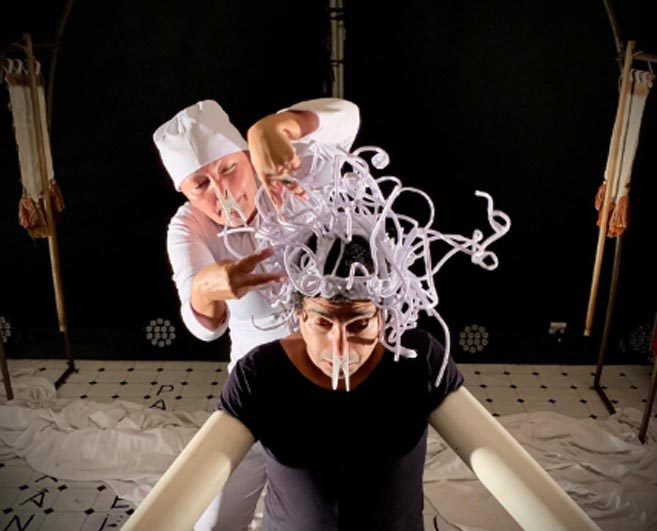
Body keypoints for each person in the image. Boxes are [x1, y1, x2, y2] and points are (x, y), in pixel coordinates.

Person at [152, 97, 360, 530]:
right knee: (216, 515)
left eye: (229, 168)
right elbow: (203, 328)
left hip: (333, 372)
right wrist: (207, 288)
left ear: (247, 155)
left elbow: (348, 118)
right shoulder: (189, 226)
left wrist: (276, 126)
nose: (221, 191)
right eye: (200, 184)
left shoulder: (292, 169)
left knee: (328, 509)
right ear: (183, 193)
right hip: (256, 381)